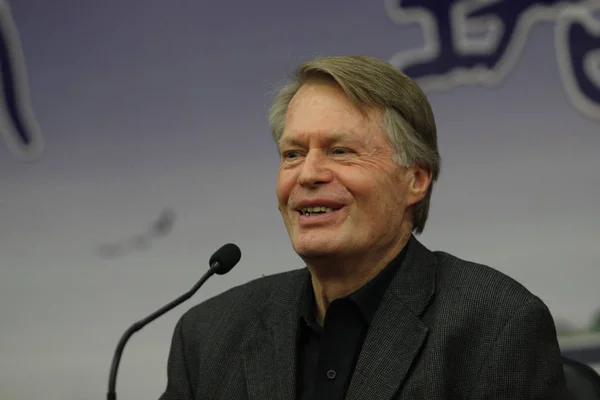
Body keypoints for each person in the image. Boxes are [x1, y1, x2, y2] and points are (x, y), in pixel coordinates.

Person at [159, 56, 567, 399]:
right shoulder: (207, 336)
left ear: (416, 179)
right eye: (292, 154)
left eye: (340, 151)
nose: (309, 174)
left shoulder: (494, 327)